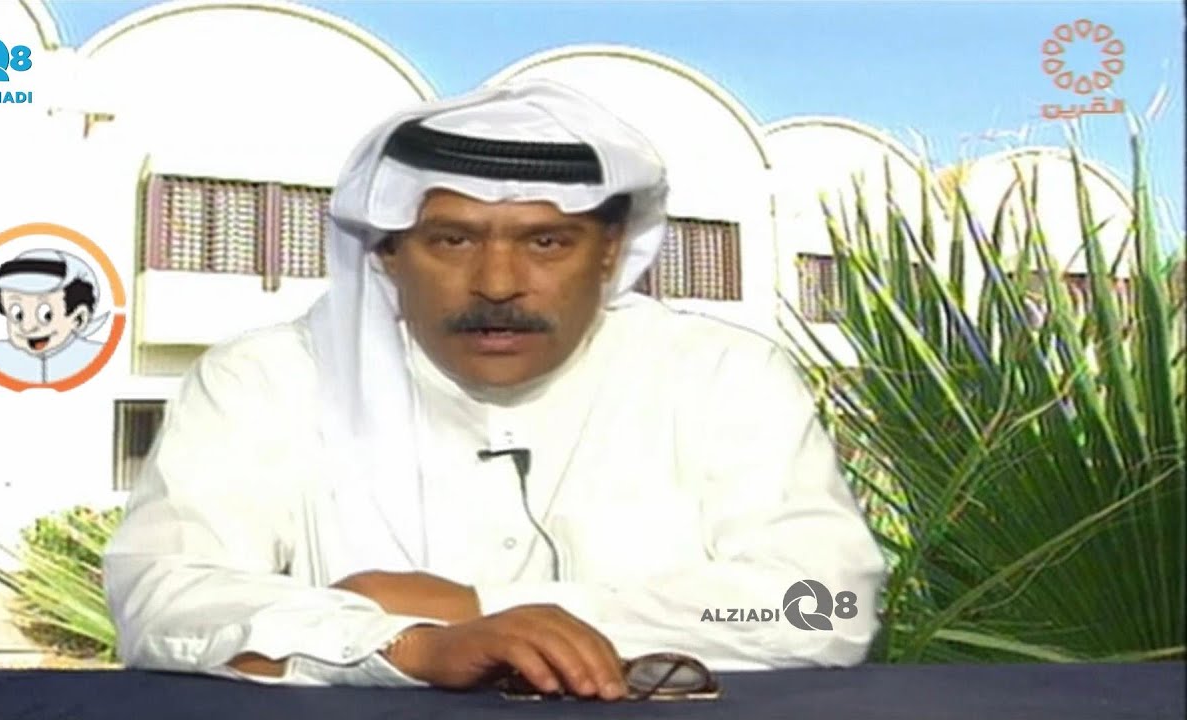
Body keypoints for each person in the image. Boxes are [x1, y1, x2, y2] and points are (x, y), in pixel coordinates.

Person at [103, 80, 886, 699]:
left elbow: (824, 605)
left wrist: (476, 608)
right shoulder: (268, 380)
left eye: (547, 242)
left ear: (609, 250)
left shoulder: (721, 375)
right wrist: (408, 647)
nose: (499, 283)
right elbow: (164, 597)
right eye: (452, 240)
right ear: (387, 251)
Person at [0, 248, 108, 384]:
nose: (27, 327)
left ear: (78, 319)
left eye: (46, 315)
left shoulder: (97, 356)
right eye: (17, 315)